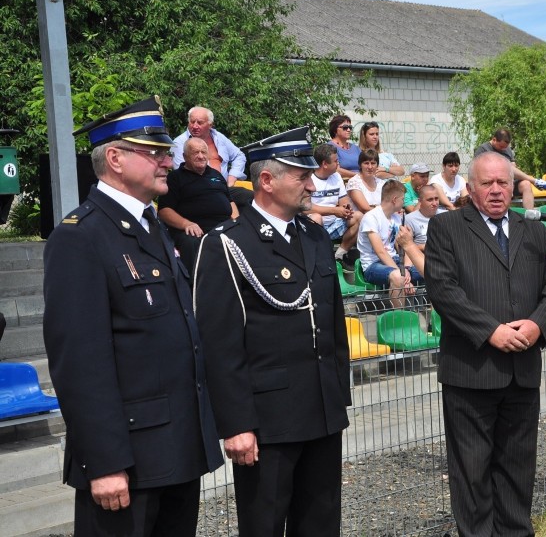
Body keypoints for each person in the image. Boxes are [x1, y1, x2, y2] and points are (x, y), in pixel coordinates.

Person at [43, 96, 223, 535]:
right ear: (115, 158)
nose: (168, 160)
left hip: (176, 448)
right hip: (127, 462)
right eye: (155, 152)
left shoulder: (151, 226)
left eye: (166, 150)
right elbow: (80, 364)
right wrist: (103, 463)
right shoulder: (81, 237)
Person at [194, 126, 351, 536]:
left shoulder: (314, 235)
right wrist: (235, 424)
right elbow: (220, 343)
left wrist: (338, 395)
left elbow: (331, 323)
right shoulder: (229, 244)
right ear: (267, 180)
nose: (311, 184)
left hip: (320, 409)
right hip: (268, 421)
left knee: (320, 524)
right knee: (265, 525)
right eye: (300, 176)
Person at [424, 152, 546, 536]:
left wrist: (536, 326)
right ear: (471, 189)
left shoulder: (532, 229)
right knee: (472, 473)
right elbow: (443, 289)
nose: (497, 190)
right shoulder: (447, 228)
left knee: (518, 468)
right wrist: (491, 331)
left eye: (503, 182)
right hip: (471, 371)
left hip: (522, 372)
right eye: (488, 184)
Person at [158, 137, 238, 271]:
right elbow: (164, 210)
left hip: (223, 227)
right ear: (185, 156)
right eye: (195, 152)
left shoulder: (216, 175)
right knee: (190, 241)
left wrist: (236, 222)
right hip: (194, 230)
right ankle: (194, 287)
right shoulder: (175, 178)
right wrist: (186, 224)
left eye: (203, 152)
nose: (200, 156)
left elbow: (230, 202)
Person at [357, 179, 421, 308]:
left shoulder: (397, 218)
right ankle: (400, 322)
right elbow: (380, 251)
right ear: (394, 199)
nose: (404, 203)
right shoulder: (371, 217)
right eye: (402, 199)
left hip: (394, 260)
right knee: (398, 277)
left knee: (430, 269)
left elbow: (404, 246)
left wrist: (407, 269)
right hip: (372, 265)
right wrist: (402, 274)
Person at [307, 143, 362, 269]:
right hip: (314, 225)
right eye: (336, 161)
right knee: (316, 218)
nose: (339, 164)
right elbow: (305, 208)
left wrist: (346, 208)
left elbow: (343, 200)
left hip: (334, 223)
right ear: (325, 164)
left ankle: (339, 256)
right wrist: (333, 210)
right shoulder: (309, 178)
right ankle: (320, 257)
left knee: (359, 216)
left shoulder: (336, 176)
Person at [474, 128, 546, 209]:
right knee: (506, 166)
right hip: (493, 183)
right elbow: (479, 171)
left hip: (509, 181)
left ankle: (530, 215)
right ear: (494, 139)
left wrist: (510, 183)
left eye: (505, 147)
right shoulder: (482, 150)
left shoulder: (507, 149)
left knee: (526, 184)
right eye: (501, 146)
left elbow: (513, 166)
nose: (503, 149)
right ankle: (534, 181)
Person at [171, 106, 246, 187]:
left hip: (226, 187)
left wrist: (232, 177)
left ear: (210, 125)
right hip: (199, 190)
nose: (195, 126)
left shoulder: (218, 137)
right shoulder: (179, 143)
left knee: (250, 195)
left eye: (200, 123)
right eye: (192, 122)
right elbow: (182, 175)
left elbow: (239, 156)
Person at [404, 183, 440, 249]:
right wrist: (424, 247)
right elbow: (406, 246)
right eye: (430, 200)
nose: (434, 203)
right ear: (420, 201)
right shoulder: (410, 219)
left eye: (436, 199)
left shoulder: (445, 215)